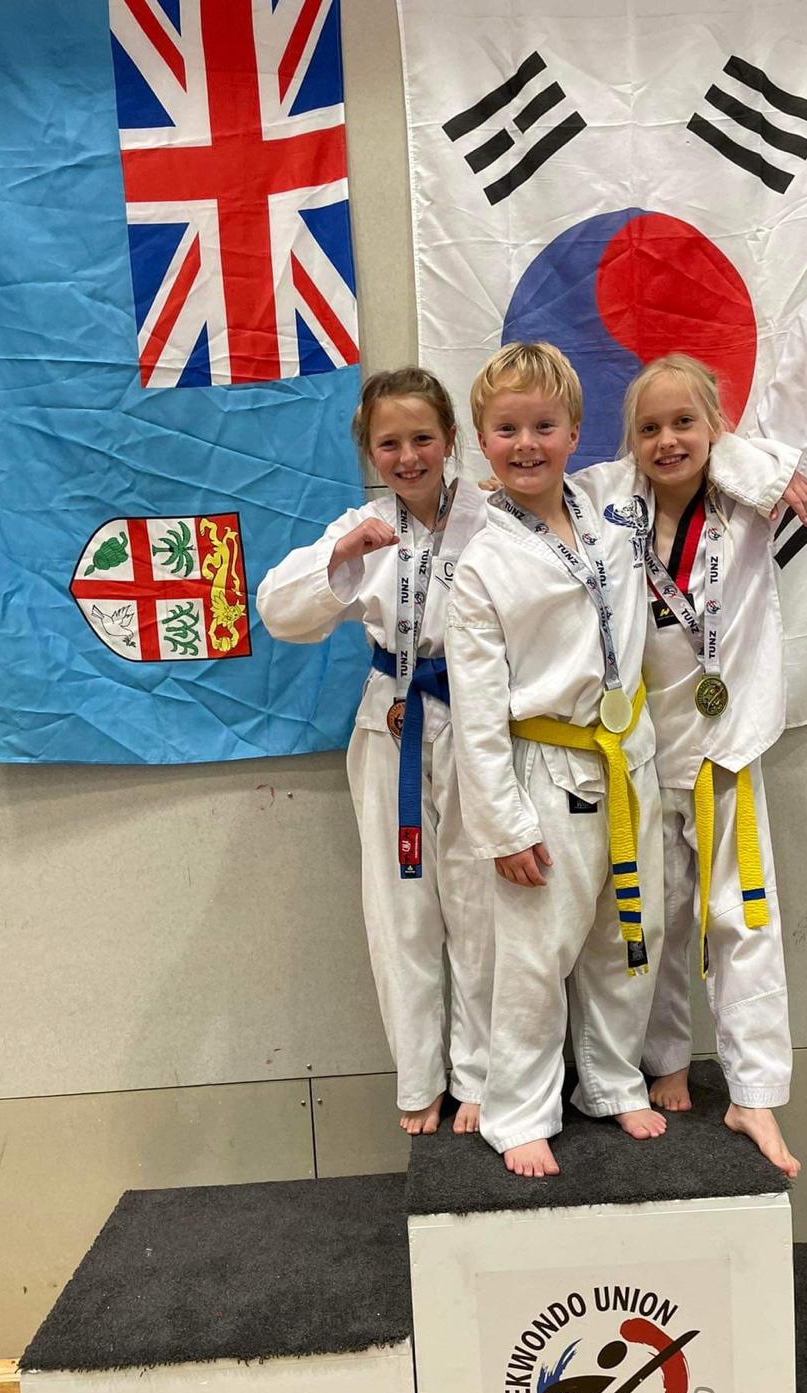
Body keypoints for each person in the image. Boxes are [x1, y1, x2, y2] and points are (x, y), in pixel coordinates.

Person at [572, 189, 807, 1178]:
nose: (668, 439)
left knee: (742, 920)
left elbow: (802, 377)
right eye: (650, 427)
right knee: (650, 917)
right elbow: (526, 478)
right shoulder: (605, 502)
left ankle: (754, 1096)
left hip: (724, 750)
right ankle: (664, 1059)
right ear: (630, 439)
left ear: (716, 427)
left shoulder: (748, 497)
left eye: (685, 421)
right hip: (637, 751)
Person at [445, 342, 668, 1177]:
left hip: (628, 757)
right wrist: (503, 826)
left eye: (544, 426)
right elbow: (476, 714)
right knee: (537, 956)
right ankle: (518, 1110)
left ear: (576, 432)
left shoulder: (616, 505)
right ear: (482, 442)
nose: (527, 444)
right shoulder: (481, 564)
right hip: (544, 769)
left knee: (628, 933)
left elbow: (699, 447)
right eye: (507, 430)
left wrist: (771, 482)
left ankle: (612, 1081)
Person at [257, 369, 492, 1137]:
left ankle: (482, 1077)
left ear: (450, 440)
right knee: (401, 908)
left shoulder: (492, 517)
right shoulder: (363, 526)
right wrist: (341, 557)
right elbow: (278, 611)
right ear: (369, 451)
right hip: (392, 721)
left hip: (479, 720)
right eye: (389, 443)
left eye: (423, 438)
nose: (408, 456)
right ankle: (421, 1080)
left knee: (480, 904)